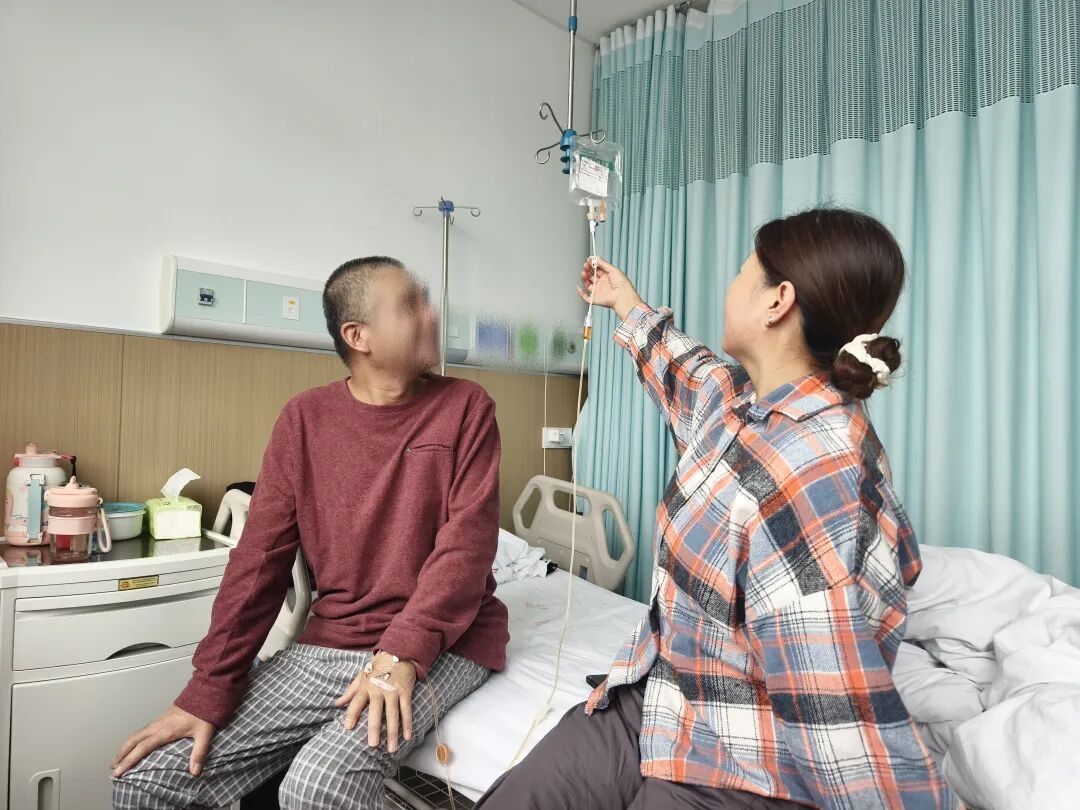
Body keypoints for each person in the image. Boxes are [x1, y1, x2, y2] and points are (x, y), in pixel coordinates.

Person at [477, 209, 958, 809]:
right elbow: (688, 372)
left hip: (741, 752)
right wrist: (625, 302)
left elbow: (831, 704)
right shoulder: (740, 404)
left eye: (741, 273)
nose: (731, 287)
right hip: (660, 693)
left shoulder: (813, 471)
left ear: (778, 301)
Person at [112, 256, 509, 810]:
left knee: (317, 785)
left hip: (445, 643)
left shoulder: (465, 407)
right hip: (332, 641)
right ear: (358, 336)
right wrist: (208, 689)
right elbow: (258, 562)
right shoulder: (304, 419)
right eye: (410, 305)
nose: (431, 314)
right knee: (143, 779)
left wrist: (400, 653)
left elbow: (466, 548)